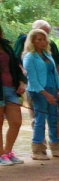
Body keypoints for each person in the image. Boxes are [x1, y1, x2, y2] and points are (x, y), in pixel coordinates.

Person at [22, 29, 59, 160]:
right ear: (32, 41)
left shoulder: (48, 54)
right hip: (38, 91)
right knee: (40, 120)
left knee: (54, 120)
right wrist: (46, 94)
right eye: (39, 39)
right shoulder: (29, 57)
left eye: (44, 39)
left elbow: (54, 73)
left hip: (52, 88)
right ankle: (38, 150)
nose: (42, 42)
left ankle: (55, 147)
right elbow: (33, 80)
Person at [0, 25, 26, 165]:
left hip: (11, 88)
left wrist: (22, 82)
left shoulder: (7, 47)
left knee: (16, 122)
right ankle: (0, 155)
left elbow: (17, 68)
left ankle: (7, 151)